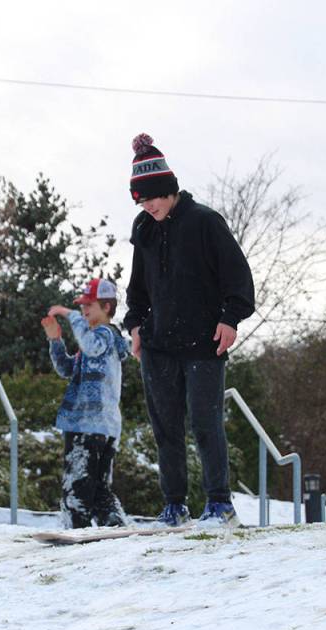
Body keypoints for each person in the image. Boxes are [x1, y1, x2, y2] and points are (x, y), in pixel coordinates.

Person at [123, 133, 255, 528]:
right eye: (142, 201)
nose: (149, 206)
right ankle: (174, 506)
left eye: (153, 198)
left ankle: (220, 504)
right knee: (166, 428)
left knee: (204, 422)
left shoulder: (205, 222)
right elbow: (138, 286)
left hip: (203, 342)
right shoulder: (144, 228)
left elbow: (238, 278)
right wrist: (136, 327)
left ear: (169, 189)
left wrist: (230, 318)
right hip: (159, 344)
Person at [42, 278, 130, 528]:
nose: (83, 310)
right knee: (100, 487)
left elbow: (91, 346)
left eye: (90, 305)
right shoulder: (95, 340)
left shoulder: (104, 335)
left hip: (90, 424)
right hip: (100, 425)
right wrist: (55, 341)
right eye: (81, 305)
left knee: (77, 483)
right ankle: (112, 524)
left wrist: (69, 315)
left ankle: (75, 530)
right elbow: (67, 369)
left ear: (107, 308)